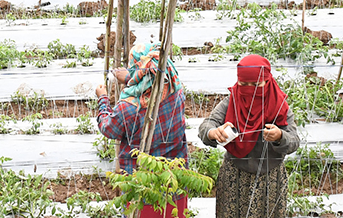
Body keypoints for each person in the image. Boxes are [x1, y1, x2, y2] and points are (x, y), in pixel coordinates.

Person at [200, 55, 300, 218]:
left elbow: (294, 140)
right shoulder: (232, 101)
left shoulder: (279, 106)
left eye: (256, 85)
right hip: (235, 177)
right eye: (244, 84)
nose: (249, 90)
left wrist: (280, 136)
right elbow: (207, 124)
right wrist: (213, 132)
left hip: (270, 179)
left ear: (267, 82)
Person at [96, 43, 187, 173]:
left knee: (143, 193)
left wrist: (103, 99)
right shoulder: (175, 89)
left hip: (139, 177)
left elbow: (109, 128)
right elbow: (150, 80)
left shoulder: (128, 107)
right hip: (173, 172)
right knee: (171, 192)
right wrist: (130, 78)